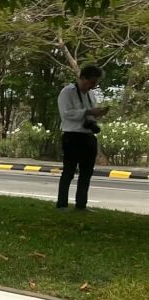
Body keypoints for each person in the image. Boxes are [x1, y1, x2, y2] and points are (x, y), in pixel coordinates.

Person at [56, 64, 108, 211]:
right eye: (91, 82)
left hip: (88, 136)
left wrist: (97, 113)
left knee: (87, 172)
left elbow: (90, 114)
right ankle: (62, 204)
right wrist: (86, 112)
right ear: (82, 78)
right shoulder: (68, 92)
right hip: (72, 135)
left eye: (95, 84)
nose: (92, 86)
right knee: (69, 171)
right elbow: (66, 113)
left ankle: (81, 204)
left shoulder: (91, 95)